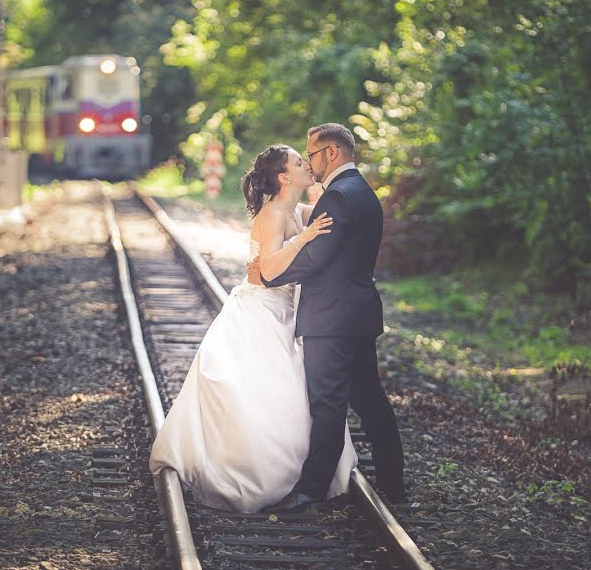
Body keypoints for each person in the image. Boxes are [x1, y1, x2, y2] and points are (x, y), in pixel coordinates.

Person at [149, 144, 358, 513]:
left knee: (293, 390)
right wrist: (304, 239)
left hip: (283, 310)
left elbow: (328, 215)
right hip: (261, 309)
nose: (306, 165)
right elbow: (269, 272)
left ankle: (301, 474)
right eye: (298, 162)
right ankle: (254, 470)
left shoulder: (295, 209)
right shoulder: (272, 215)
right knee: (265, 389)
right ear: (283, 177)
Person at [249, 123, 405, 511]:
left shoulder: (338, 196)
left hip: (330, 319)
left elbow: (316, 257)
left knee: (328, 404)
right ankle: (394, 487)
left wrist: (269, 275)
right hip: (358, 313)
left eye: (312, 155)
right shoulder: (364, 192)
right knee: (371, 401)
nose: (311, 163)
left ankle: (311, 490)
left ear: (331, 153)